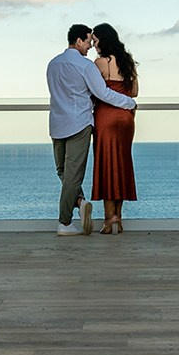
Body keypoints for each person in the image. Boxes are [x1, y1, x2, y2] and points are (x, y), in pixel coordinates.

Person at [46, 23, 137, 236]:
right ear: (79, 41)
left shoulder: (53, 64)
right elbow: (103, 94)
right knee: (73, 174)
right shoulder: (86, 66)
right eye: (88, 41)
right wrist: (129, 103)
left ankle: (77, 204)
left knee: (62, 170)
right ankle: (66, 220)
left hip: (57, 123)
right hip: (79, 123)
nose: (90, 46)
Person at [88, 22, 138, 234]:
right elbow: (134, 92)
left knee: (107, 165)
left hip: (106, 116)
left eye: (96, 40)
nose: (94, 44)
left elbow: (95, 91)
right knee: (122, 164)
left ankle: (109, 219)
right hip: (126, 118)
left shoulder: (100, 63)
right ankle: (119, 217)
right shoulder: (128, 62)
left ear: (104, 40)